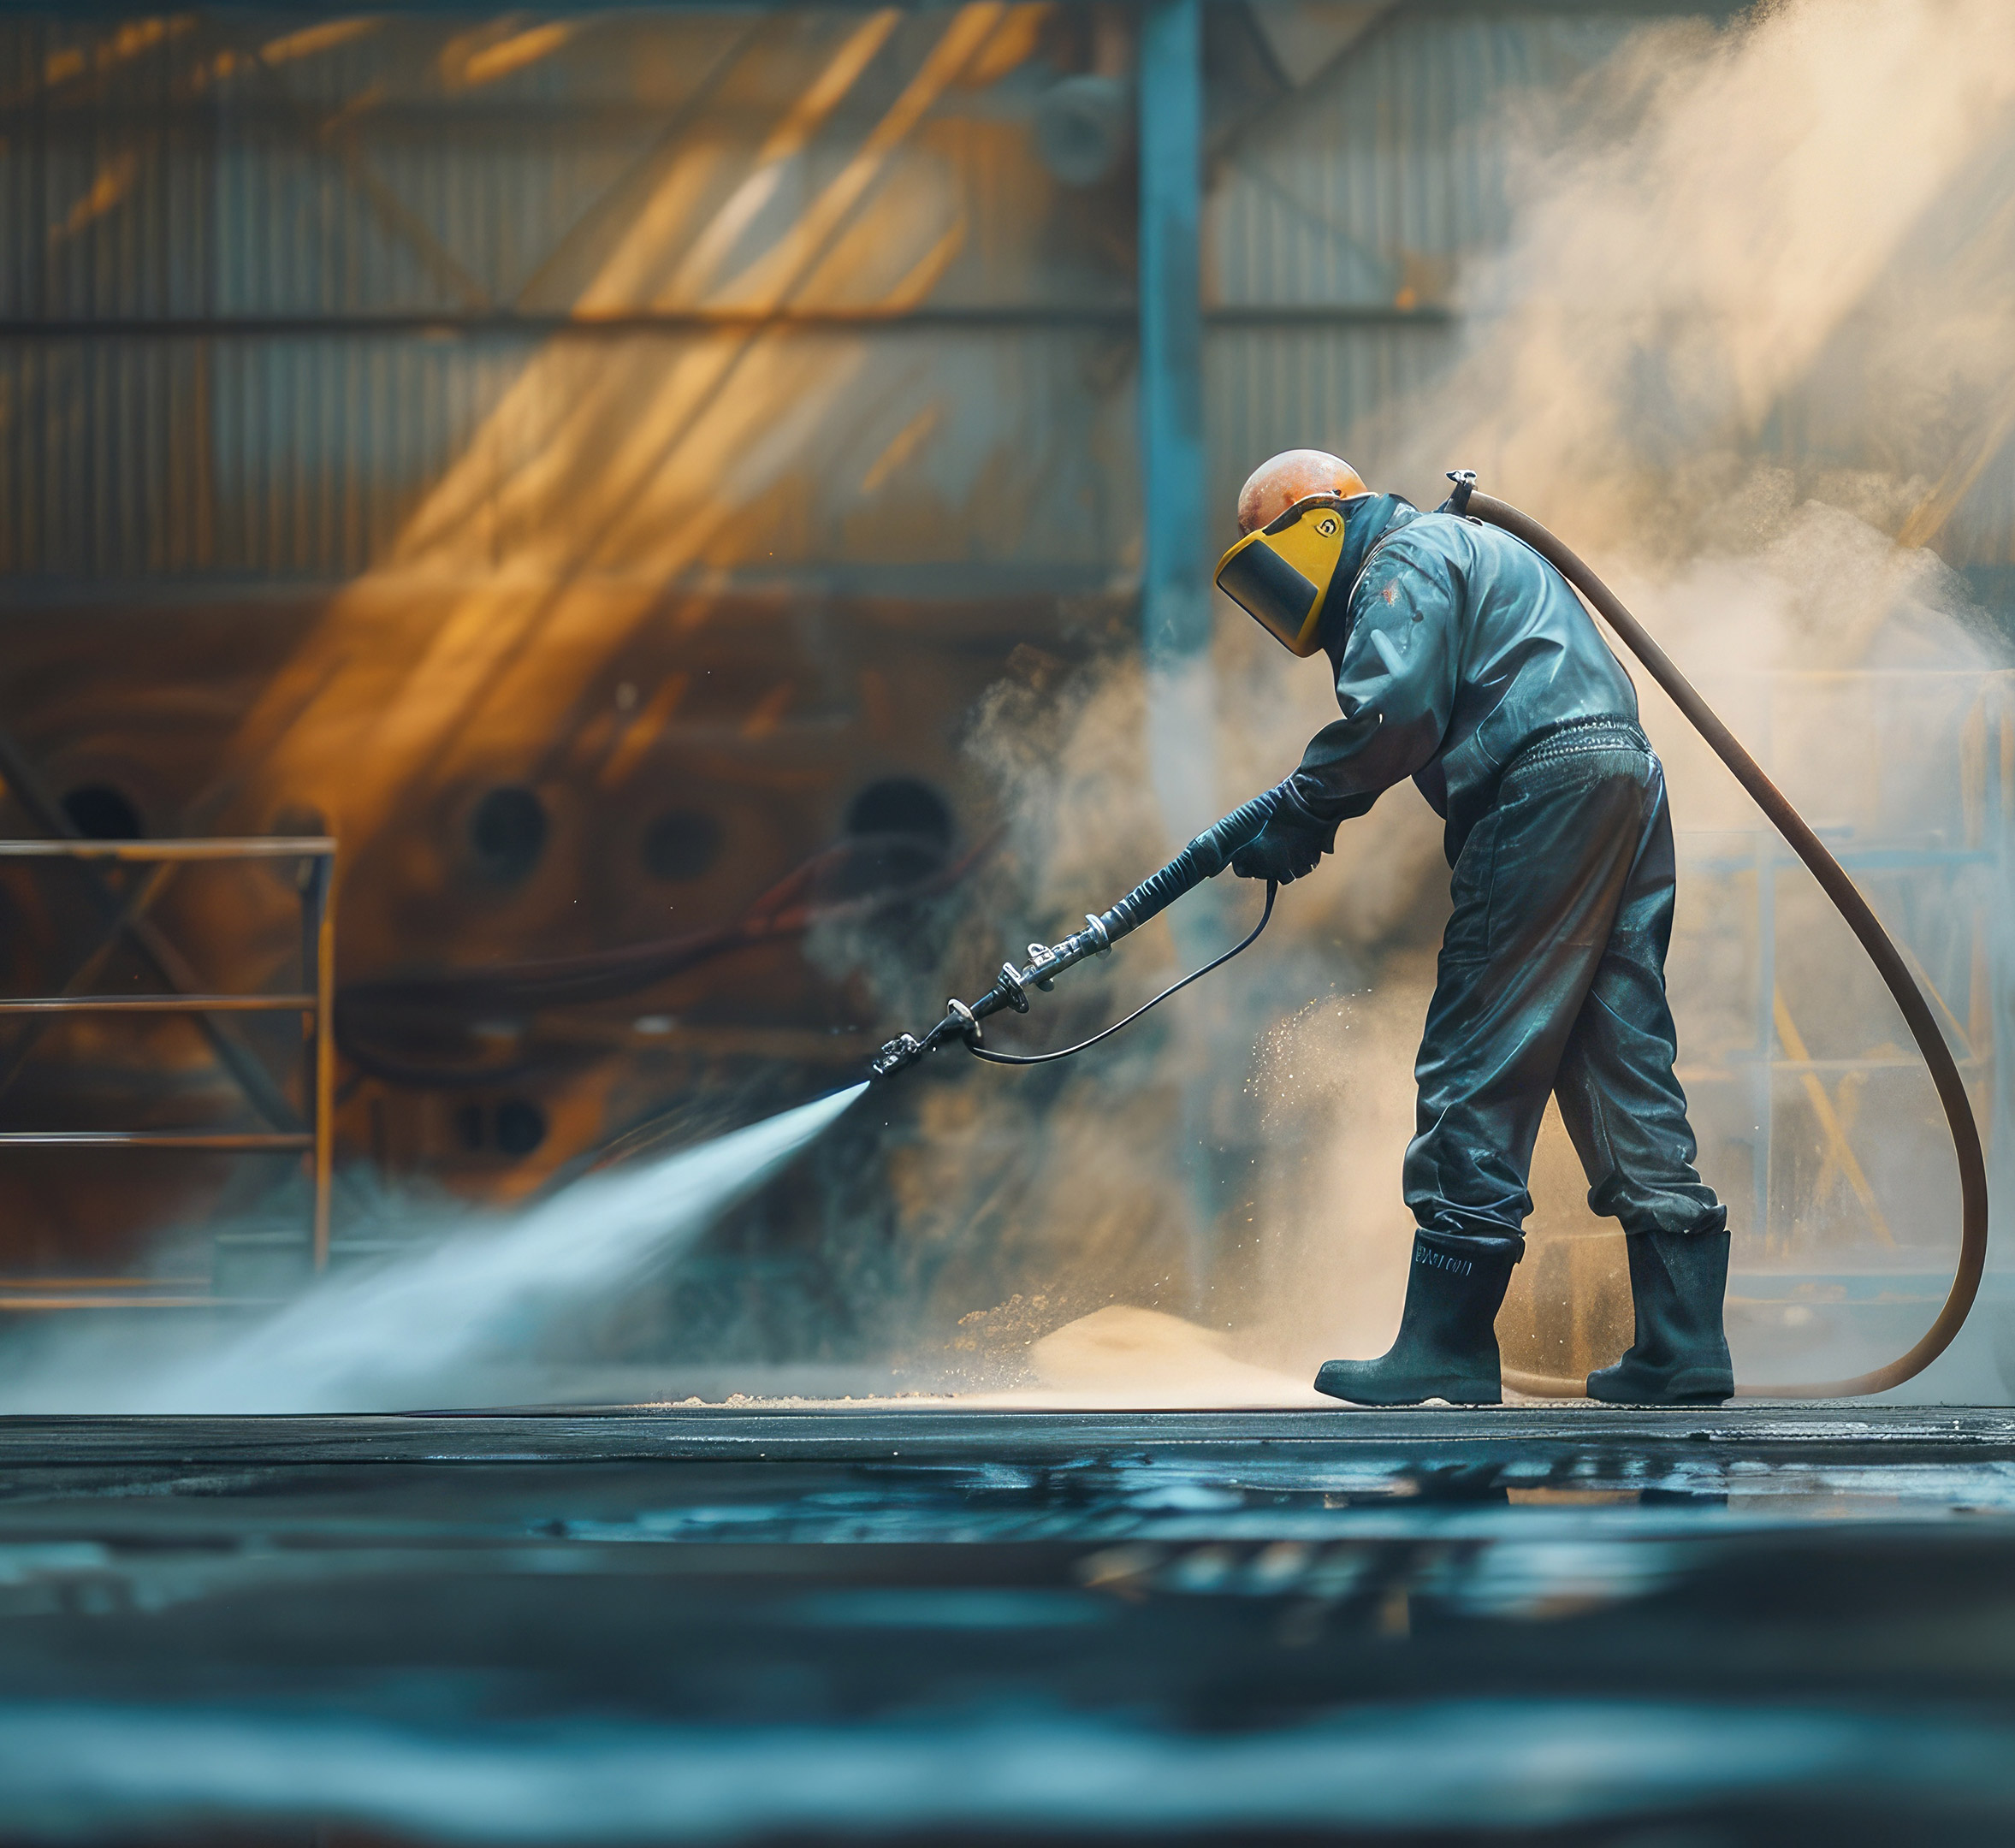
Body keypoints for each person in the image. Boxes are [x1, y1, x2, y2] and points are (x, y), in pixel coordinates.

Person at [1212, 449, 1731, 1407]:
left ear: (1318, 519)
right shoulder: (1466, 548)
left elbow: (1395, 713)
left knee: (1477, 1046)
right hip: (1620, 775)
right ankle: (1684, 1341)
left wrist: (1306, 809)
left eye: (1269, 545)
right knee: (1616, 1052)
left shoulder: (1400, 562)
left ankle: (1446, 1340)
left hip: (1539, 784)